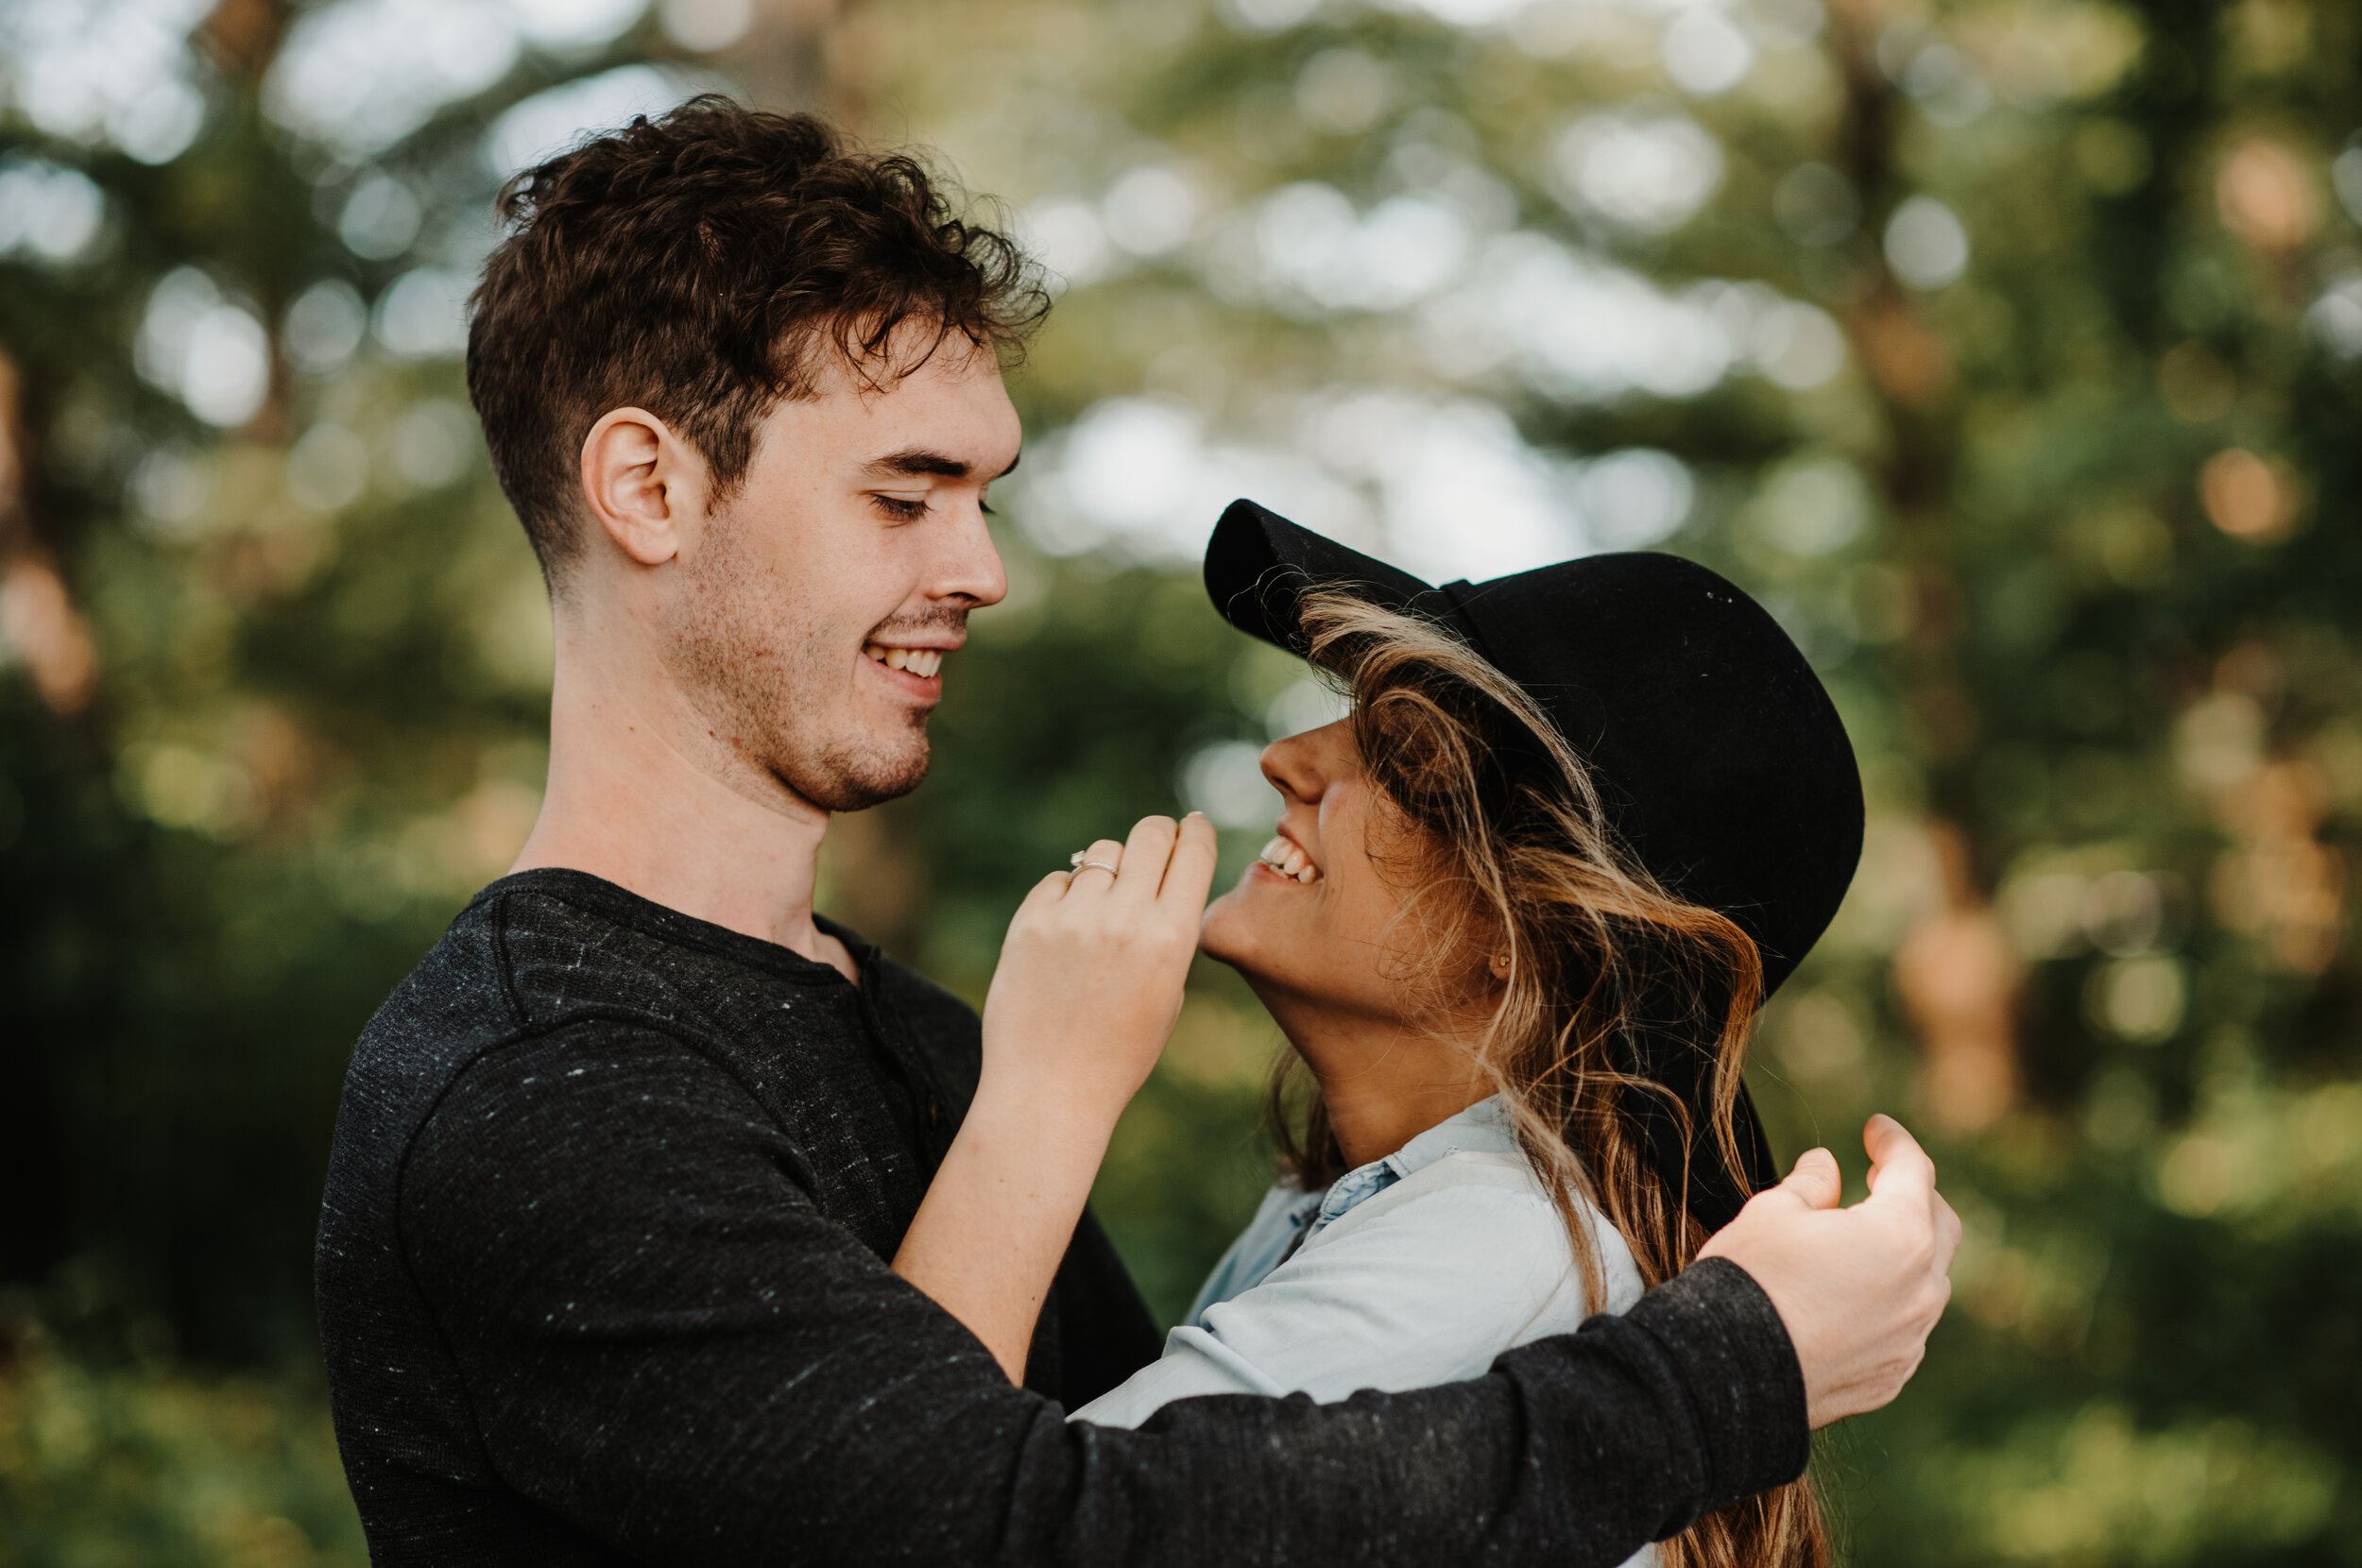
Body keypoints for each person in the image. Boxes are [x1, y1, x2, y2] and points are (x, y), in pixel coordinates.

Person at [315, 99, 1960, 1565]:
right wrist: (1731, 1369)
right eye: (903, 495)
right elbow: (1036, 1522)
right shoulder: (542, 1084)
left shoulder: (919, 1040)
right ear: (649, 490)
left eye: (986, 494)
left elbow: (1104, 1470)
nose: (983, 570)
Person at [898, 504, 1884, 1567]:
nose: (1287, 755)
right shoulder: (1362, 1204)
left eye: (1406, 758)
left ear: (1534, 930)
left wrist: (1048, 1087)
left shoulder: (1497, 1242)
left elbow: (907, 1528)